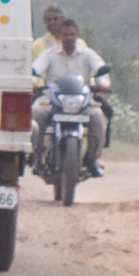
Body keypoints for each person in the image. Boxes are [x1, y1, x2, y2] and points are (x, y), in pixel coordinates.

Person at [32, 17, 109, 174]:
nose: (69, 38)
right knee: (36, 113)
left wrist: (103, 84)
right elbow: (36, 69)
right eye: (66, 34)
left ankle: (92, 158)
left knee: (98, 118)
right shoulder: (49, 54)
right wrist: (32, 81)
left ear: (77, 36)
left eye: (72, 34)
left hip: (81, 101)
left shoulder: (87, 54)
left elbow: (100, 68)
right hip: (53, 99)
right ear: (60, 36)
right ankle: (35, 155)